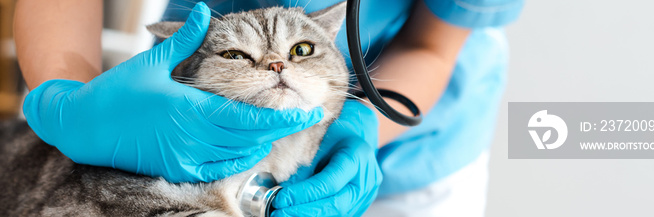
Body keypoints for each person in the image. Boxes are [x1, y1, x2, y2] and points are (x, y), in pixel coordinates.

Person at [15, 0, 521, 216]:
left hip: (413, 157)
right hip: (182, 115)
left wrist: (361, 125)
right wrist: (69, 97)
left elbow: (433, 45)